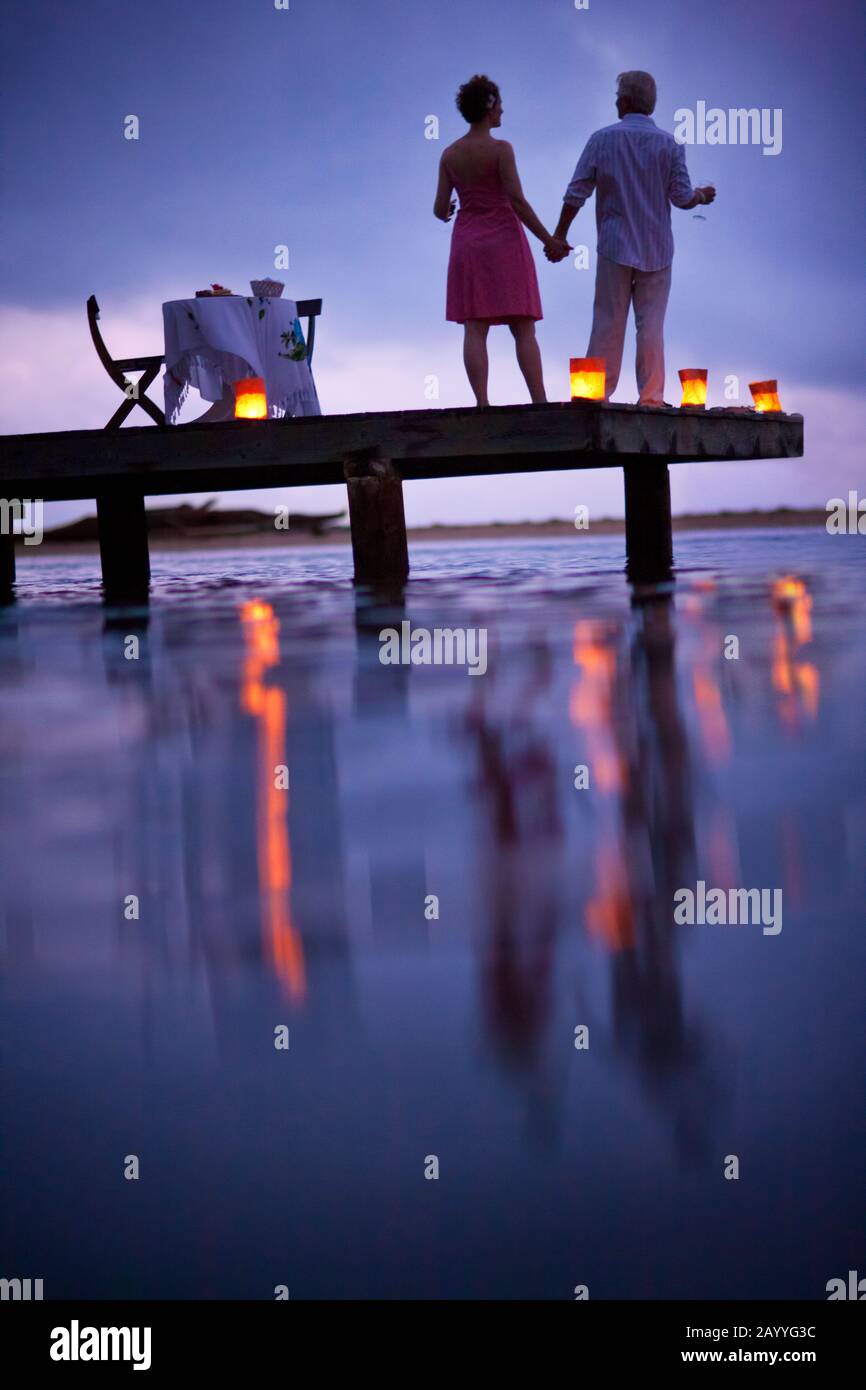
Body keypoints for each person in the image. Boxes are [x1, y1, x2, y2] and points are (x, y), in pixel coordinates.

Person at [548, 70, 716, 406]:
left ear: (624, 101)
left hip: (614, 245)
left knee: (609, 319)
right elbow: (681, 198)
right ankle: (651, 397)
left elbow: (575, 192)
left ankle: (596, 393)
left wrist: (559, 234)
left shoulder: (602, 139)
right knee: (651, 325)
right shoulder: (670, 144)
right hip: (657, 249)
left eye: (617, 96)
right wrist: (701, 195)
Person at [434, 74, 569, 407]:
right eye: (500, 106)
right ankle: (539, 402)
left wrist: (453, 205)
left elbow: (440, 210)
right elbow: (517, 201)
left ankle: (482, 403)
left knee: (474, 328)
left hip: (468, 243)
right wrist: (549, 239)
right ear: (490, 105)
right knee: (523, 326)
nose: (503, 113)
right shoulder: (501, 150)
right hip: (505, 241)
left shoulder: (449, 155)